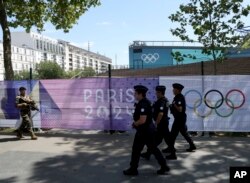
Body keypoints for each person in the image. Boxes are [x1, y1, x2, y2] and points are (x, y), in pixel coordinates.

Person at [123, 85, 170, 176]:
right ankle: (164, 166)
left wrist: (134, 124)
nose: (134, 95)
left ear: (140, 94)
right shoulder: (145, 102)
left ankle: (133, 169)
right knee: (154, 149)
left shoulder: (143, 104)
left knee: (136, 150)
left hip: (144, 131)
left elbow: (142, 120)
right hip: (148, 130)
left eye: (135, 93)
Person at [166, 83, 196, 160]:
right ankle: (192, 145)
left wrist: (174, 104)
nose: (173, 90)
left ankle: (172, 152)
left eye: (174, 89)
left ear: (178, 90)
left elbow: (180, 109)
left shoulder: (179, 98)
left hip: (179, 119)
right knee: (184, 133)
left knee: (172, 136)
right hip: (180, 119)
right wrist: (170, 105)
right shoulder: (177, 97)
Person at [140, 85, 171, 160]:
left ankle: (149, 153)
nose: (156, 94)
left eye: (157, 92)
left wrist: (156, 123)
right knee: (165, 139)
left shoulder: (162, 101)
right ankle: (149, 153)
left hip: (161, 123)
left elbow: (160, 114)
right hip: (163, 123)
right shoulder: (160, 100)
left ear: (160, 92)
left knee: (155, 140)